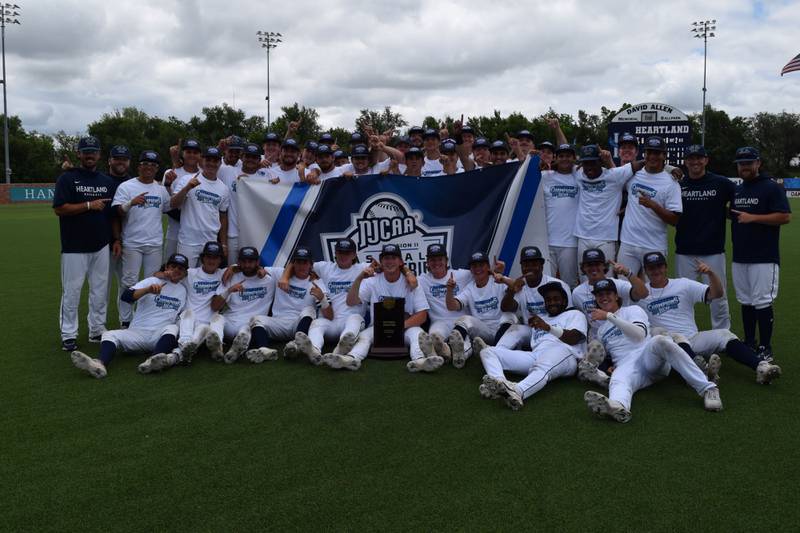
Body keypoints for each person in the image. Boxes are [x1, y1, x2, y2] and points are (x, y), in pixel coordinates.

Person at [583, 279, 722, 423]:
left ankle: (708, 389)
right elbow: (608, 355)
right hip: (627, 366)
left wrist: (608, 316)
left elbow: (639, 335)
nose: (604, 297)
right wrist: (605, 367)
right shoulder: (601, 331)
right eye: (599, 295)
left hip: (648, 357)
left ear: (616, 295)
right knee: (619, 379)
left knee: (660, 341)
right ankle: (619, 407)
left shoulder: (632, 310)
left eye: (608, 293)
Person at [638, 252, 781, 384]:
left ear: (666, 267)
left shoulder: (682, 284)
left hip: (692, 338)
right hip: (667, 345)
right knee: (662, 333)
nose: (656, 271)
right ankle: (704, 371)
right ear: (645, 271)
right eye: (651, 268)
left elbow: (716, 293)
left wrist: (711, 274)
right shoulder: (641, 293)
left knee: (724, 334)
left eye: (659, 266)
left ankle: (760, 367)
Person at [69, 253, 189, 378]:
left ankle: (154, 360)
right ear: (166, 267)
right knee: (108, 334)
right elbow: (126, 296)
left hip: (159, 336)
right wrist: (147, 290)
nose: (176, 270)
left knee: (173, 327)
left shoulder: (183, 291)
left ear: (185, 274)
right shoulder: (152, 281)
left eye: (180, 268)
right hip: (137, 333)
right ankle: (99, 364)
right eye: (173, 266)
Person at [476, 281, 588, 410]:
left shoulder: (575, 314)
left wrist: (547, 327)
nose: (552, 302)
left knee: (542, 364)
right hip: (536, 356)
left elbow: (574, 338)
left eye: (556, 299)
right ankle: (500, 383)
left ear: (564, 301)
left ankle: (518, 391)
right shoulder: (540, 318)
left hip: (566, 354)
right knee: (488, 352)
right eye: (548, 300)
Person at [331, 244, 441, 372]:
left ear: (400, 262)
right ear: (381, 262)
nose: (390, 261)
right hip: (378, 328)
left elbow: (422, 315)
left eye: (393, 258)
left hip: (405, 328)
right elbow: (351, 302)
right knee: (364, 337)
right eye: (386, 258)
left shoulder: (411, 282)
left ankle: (419, 360)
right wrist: (360, 278)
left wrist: (398, 326)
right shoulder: (372, 281)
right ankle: (352, 358)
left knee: (418, 334)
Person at [53, 136, 116, 351]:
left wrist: (115, 240)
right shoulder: (67, 179)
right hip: (74, 246)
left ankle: (97, 330)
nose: (90, 155)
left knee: (99, 291)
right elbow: (59, 208)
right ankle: (68, 334)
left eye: (94, 151)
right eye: (86, 151)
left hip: (101, 245)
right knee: (72, 291)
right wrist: (89, 204)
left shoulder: (106, 181)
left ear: (99, 155)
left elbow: (112, 215)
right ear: (79, 154)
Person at [729, 146, 792, 360]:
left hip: (764, 257)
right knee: (745, 300)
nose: (744, 166)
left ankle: (765, 347)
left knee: (762, 301)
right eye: (741, 163)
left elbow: (784, 216)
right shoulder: (738, 189)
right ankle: (749, 342)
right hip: (740, 256)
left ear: (758, 164)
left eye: (749, 162)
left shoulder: (771, 187)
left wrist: (753, 218)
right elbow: (736, 215)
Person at [674, 144, 735, 330]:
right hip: (685, 252)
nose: (695, 162)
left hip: (713, 251)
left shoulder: (721, 183)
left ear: (706, 160)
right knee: (683, 296)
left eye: (699, 158)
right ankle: (685, 333)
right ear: (685, 162)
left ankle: (723, 335)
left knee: (719, 296)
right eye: (691, 158)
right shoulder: (678, 184)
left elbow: (742, 197)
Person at [571, 248, 648, 386]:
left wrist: (628, 273)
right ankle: (606, 373)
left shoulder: (617, 284)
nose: (593, 268)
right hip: (600, 339)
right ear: (583, 267)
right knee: (593, 354)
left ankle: (608, 374)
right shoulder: (577, 293)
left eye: (597, 264)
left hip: (622, 334)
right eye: (589, 265)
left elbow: (643, 293)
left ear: (604, 266)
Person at [112, 150, 172, 328]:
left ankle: (145, 318)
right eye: (145, 164)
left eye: (153, 165)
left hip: (154, 243)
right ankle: (126, 319)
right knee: (129, 282)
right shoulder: (127, 186)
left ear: (157, 169)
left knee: (152, 283)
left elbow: (171, 207)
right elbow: (116, 211)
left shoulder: (160, 189)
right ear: (139, 166)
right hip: (132, 243)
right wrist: (131, 203)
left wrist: (171, 186)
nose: (149, 168)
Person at [290, 239, 365, 364]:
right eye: (340, 252)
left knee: (356, 318)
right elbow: (300, 263)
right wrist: (285, 276)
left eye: (347, 253)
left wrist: (408, 273)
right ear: (335, 253)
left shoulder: (362, 268)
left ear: (354, 254)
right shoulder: (325, 267)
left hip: (350, 321)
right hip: (330, 322)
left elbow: (389, 267)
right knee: (317, 323)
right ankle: (315, 351)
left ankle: (341, 349)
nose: (343, 255)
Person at [617, 136, 682, 277]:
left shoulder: (671, 182)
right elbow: (612, 176)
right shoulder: (633, 174)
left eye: (657, 153)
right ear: (644, 154)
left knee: (654, 291)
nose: (652, 156)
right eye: (649, 152)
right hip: (628, 243)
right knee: (623, 287)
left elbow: (674, 220)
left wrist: (653, 205)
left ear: (664, 155)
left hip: (654, 246)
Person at [253, 246, 332, 360]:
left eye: (305, 262)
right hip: (279, 322)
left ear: (311, 264)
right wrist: (235, 268)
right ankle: (264, 350)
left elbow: (329, 315)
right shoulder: (280, 273)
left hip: (299, 324)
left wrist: (322, 299)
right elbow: (258, 269)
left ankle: (296, 344)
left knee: (309, 310)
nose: (301, 266)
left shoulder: (317, 283)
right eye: (298, 262)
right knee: (256, 319)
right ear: (293, 264)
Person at [573, 145, 643, 262]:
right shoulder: (579, 173)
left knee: (607, 278)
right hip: (582, 236)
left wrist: (668, 168)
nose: (589, 167)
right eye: (586, 163)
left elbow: (644, 163)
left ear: (600, 162)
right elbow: (562, 162)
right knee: (585, 277)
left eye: (592, 163)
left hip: (606, 238)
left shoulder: (614, 175)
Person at [445, 252, 518, 366]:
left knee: (509, 316)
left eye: (481, 265)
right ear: (471, 270)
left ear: (488, 267)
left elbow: (518, 285)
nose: (478, 269)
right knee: (465, 319)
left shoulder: (498, 281)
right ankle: (455, 350)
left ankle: (491, 350)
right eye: (474, 266)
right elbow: (452, 306)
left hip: (503, 329)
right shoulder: (470, 288)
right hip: (484, 332)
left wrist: (503, 278)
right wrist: (449, 290)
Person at [211, 247, 277, 364]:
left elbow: (292, 270)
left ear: (257, 262)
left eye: (251, 261)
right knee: (217, 318)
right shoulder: (230, 276)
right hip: (230, 323)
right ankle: (217, 348)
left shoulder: (270, 279)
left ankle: (236, 349)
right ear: (239, 262)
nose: (247, 265)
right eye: (244, 261)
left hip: (253, 325)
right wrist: (229, 290)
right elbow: (214, 306)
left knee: (247, 327)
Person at [497, 246, 572, 350]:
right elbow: (506, 308)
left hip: (554, 330)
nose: (530, 268)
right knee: (513, 327)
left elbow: (569, 315)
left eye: (534, 264)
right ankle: (497, 351)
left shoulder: (558, 285)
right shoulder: (520, 286)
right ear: (522, 267)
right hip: (532, 331)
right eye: (526, 265)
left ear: (541, 266)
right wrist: (512, 289)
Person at [169, 146, 230, 266]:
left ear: (219, 163)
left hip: (210, 242)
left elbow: (223, 217)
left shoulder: (223, 188)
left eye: (215, 161)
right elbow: (173, 204)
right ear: (202, 161)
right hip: (188, 241)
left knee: (205, 280)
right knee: (184, 277)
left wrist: (223, 243)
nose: (211, 164)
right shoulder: (188, 179)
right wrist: (187, 188)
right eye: (208, 160)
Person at [417, 243, 473, 365]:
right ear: (427, 262)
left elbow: (482, 273)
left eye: (440, 259)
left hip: (461, 321)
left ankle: (459, 355)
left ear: (446, 261)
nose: (436, 263)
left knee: (462, 340)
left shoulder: (461, 275)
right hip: (439, 321)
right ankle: (442, 351)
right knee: (434, 336)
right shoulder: (423, 280)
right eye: (432, 260)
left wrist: (497, 272)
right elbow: (407, 279)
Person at [218, 142, 272, 264]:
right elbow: (205, 165)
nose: (250, 160)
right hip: (233, 233)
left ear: (260, 159)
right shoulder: (227, 171)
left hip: (256, 232)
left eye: (254, 157)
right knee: (233, 268)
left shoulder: (266, 175)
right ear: (242, 157)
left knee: (253, 268)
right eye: (247, 156)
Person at [176, 241, 226, 364]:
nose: (211, 261)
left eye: (215, 258)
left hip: (209, 325)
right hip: (187, 323)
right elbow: (165, 274)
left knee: (218, 318)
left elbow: (241, 267)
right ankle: (185, 345)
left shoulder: (223, 274)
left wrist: (234, 268)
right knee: (188, 313)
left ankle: (216, 347)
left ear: (220, 260)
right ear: (202, 258)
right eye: (208, 257)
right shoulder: (191, 273)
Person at [542, 143, 579, 287]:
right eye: (561, 156)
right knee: (546, 283)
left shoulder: (579, 176)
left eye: (568, 156)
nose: (564, 159)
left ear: (574, 158)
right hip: (548, 241)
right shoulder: (545, 176)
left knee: (569, 284)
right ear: (555, 158)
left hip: (570, 242)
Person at [106, 145, 132, 328]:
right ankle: (98, 325)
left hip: (128, 241)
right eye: (117, 158)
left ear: (129, 162)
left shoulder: (133, 183)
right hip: (103, 241)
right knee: (102, 287)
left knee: (127, 283)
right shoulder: (101, 180)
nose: (120, 162)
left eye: (124, 159)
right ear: (109, 160)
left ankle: (126, 321)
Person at [163, 139, 202, 260]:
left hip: (195, 232)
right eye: (188, 152)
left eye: (195, 152)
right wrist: (167, 185)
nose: (191, 155)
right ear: (183, 154)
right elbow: (166, 203)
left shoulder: (204, 174)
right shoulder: (171, 172)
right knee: (169, 266)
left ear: (200, 156)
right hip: (175, 228)